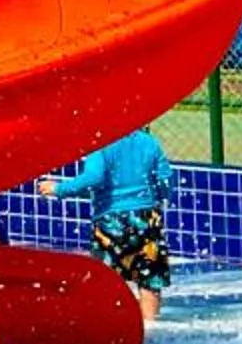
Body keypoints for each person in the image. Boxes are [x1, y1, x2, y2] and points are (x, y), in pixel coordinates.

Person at [39, 128, 173, 327]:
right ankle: (151, 326)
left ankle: (112, 327)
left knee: (108, 280)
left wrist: (59, 189)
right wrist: (156, 202)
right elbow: (165, 181)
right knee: (149, 279)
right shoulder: (149, 142)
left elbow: (94, 178)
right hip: (147, 217)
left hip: (112, 221)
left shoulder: (101, 142)